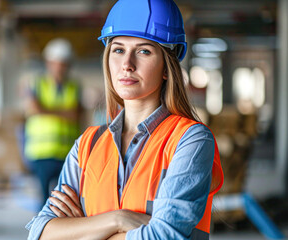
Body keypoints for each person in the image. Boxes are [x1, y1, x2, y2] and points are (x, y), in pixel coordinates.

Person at [26, 0, 223, 239]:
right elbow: (39, 233)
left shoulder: (190, 140)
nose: (127, 65)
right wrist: (117, 219)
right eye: (118, 50)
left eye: (144, 51)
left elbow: (164, 235)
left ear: (166, 67)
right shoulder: (88, 144)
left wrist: (82, 230)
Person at [24, 38, 81, 207]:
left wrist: (47, 110)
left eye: (65, 63)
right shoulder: (37, 83)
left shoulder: (74, 86)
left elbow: (76, 115)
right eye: (57, 63)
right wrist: (64, 112)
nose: (61, 67)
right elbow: (34, 109)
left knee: (64, 201)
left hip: (67, 152)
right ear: (49, 63)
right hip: (41, 152)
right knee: (43, 201)